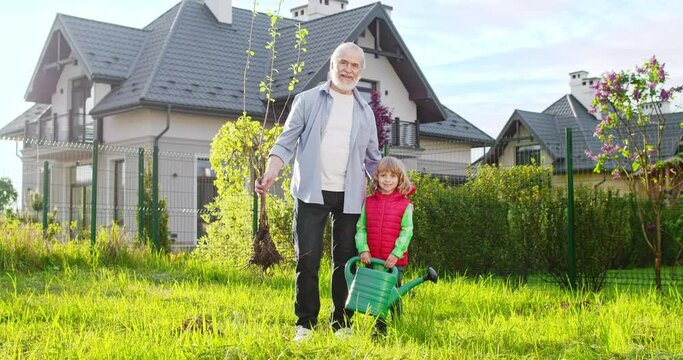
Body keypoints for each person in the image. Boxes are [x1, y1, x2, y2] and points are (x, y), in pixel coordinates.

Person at [255, 42, 382, 341]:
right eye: (343, 63)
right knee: (308, 259)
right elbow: (286, 142)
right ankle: (306, 323)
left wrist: (391, 188)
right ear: (332, 64)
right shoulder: (308, 100)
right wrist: (272, 172)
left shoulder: (365, 112)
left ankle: (342, 322)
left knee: (346, 262)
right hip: (312, 192)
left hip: (350, 195)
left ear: (361, 71)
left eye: (354, 65)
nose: (348, 69)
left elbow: (373, 159)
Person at [354, 156, 415, 335]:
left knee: (393, 294)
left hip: (394, 261)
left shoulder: (405, 205)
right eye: (383, 175)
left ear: (400, 179)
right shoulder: (369, 201)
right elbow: (361, 227)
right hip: (373, 258)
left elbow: (407, 231)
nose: (387, 180)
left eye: (392, 176)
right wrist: (363, 248)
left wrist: (396, 254)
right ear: (376, 178)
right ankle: (379, 328)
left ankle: (397, 325)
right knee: (377, 294)